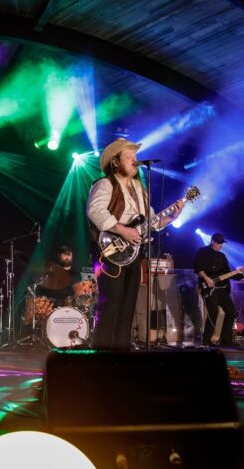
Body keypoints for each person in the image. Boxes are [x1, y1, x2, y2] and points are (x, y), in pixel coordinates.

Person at [86, 138, 184, 350]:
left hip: (134, 251)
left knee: (128, 303)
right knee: (111, 302)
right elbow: (95, 211)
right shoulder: (105, 184)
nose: (135, 161)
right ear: (115, 162)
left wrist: (170, 218)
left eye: (135, 157)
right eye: (128, 157)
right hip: (110, 249)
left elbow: (150, 222)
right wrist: (123, 230)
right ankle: (102, 351)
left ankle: (121, 350)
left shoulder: (140, 189)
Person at [193, 233, 244, 346]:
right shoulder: (202, 251)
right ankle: (206, 340)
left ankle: (225, 339)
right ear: (212, 241)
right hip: (208, 287)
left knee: (232, 312)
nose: (221, 245)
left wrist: (242, 274)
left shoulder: (222, 256)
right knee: (213, 313)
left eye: (222, 243)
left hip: (221, 288)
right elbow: (197, 268)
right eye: (219, 243)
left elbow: (228, 273)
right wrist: (207, 279)